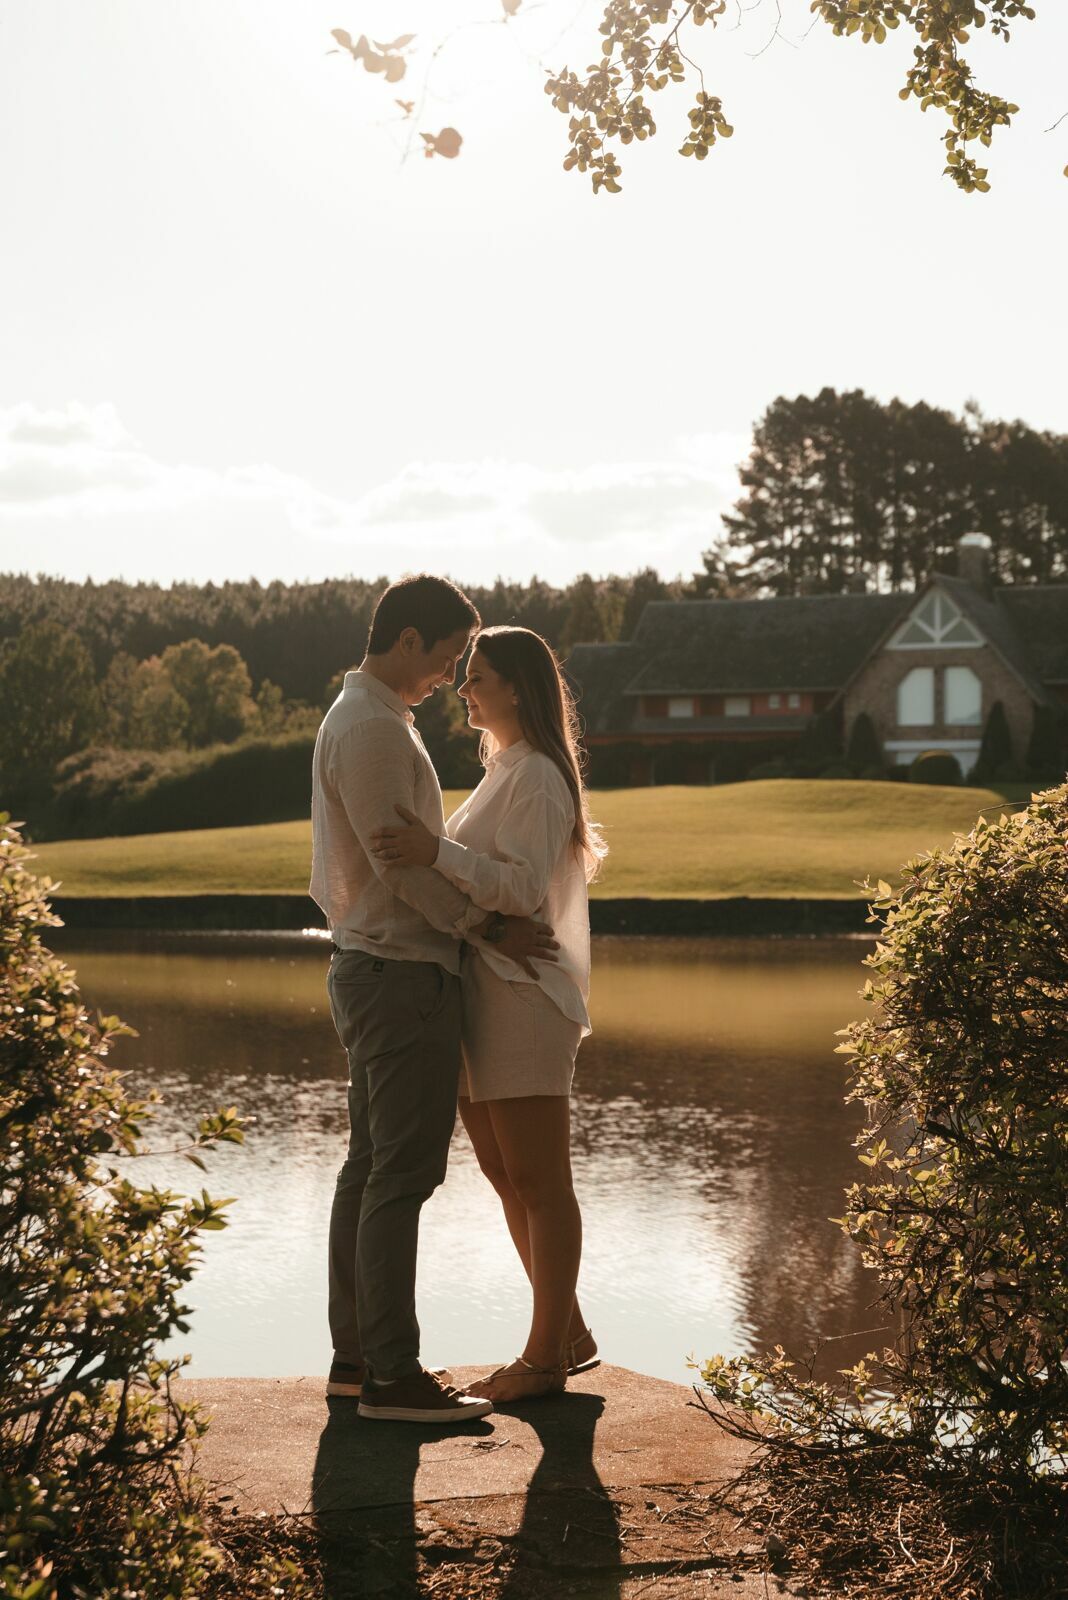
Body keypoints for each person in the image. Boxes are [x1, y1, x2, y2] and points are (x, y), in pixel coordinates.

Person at [310, 578, 559, 1425]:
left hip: (379, 968)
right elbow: (402, 868)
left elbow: (413, 857)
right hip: (402, 970)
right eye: (447, 658)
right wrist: (487, 929)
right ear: (409, 640)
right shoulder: (374, 726)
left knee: (370, 1167)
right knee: (402, 1172)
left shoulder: (370, 719)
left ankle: (359, 1361)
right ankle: (391, 1378)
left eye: (466, 665)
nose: (448, 678)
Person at [371, 625, 605, 1402]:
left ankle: (544, 1362)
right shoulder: (504, 769)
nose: (464, 688)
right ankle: (566, 1333)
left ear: (516, 688)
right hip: (483, 993)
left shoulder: (537, 774)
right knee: (508, 1176)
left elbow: (519, 889)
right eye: (465, 675)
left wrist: (433, 851)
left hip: (525, 999)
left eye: (478, 677)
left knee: (540, 1181)